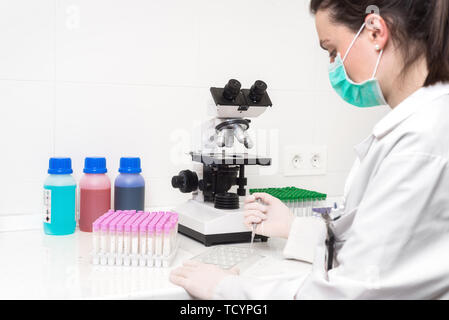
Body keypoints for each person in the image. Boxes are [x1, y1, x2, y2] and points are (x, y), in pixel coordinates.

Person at [169, 0, 449, 300]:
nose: (333, 65)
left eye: (332, 50)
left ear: (375, 32)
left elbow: (356, 291)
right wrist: (294, 227)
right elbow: (374, 249)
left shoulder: (421, 141)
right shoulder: (421, 126)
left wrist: (228, 290)